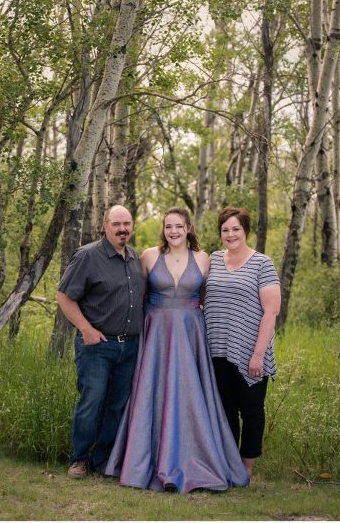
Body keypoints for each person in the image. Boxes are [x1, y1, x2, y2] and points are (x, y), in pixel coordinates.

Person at [102, 207, 249, 492]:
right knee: (152, 392)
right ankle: (145, 461)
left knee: (191, 394)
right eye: (168, 226)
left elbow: (212, 295)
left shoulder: (205, 259)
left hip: (191, 333)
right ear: (163, 229)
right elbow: (136, 294)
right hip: (156, 332)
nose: (173, 232)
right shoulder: (148, 256)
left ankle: (197, 458)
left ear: (189, 227)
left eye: (179, 226)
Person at [57, 205, 145, 478]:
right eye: (117, 223)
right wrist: (86, 329)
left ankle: (104, 461)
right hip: (97, 345)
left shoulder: (134, 258)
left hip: (130, 346)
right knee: (92, 401)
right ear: (105, 225)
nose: (123, 229)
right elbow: (64, 297)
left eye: (127, 223)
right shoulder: (87, 256)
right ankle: (79, 459)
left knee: (116, 405)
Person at [204, 207, 281, 477]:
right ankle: (228, 464)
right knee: (224, 409)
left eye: (236, 229)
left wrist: (258, 354)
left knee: (251, 409)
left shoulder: (262, 263)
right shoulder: (212, 259)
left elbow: (271, 311)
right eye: (225, 230)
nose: (230, 234)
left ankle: (246, 467)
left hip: (250, 349)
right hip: (216, 348)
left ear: (246, 231)